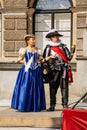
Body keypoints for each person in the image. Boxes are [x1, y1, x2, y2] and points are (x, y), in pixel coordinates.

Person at [11, 34, 46, 112]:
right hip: (27, 71)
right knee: (25, 87)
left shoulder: (38, 50)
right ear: (27, 41)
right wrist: (24, 62)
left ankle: (35, 106)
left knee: (36, 88)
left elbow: (41, 60)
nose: (34, 41)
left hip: (36, 71)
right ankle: (24, 106)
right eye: (32, 39)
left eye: (34, 39)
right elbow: (19, 59)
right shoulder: (24, 50)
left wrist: (47, 58)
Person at [43, 29, 75, 111]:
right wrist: (47, 69)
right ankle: (52, 105)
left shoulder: (63, 46)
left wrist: (72, 51)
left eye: (57, 36)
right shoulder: (48, 47)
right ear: (51, 38)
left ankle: (65, 105)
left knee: (64, 88)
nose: (56, 38)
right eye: (54, 36)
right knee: (53, 88)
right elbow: (44, 60)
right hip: (53, 70)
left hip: (63, 69)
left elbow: (68, 58)